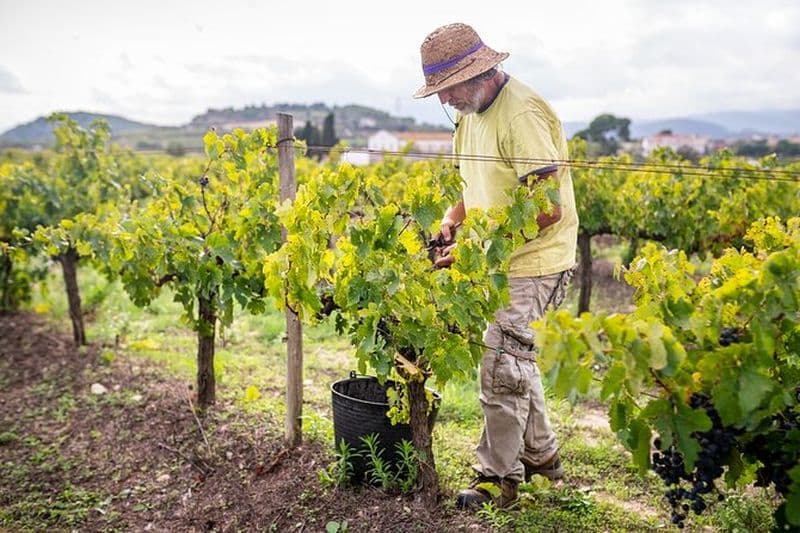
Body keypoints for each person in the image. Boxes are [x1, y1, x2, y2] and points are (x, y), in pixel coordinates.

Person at [413, 22, 579, 509]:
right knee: (514, 358)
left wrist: (481, 250)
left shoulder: (521, 113)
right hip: (500, 259)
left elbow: (546, 209)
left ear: (478, 73)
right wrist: (452, 222)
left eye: (449, 88)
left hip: (536, 261)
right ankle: (542, 457)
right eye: (439, 92)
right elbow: (474, 187)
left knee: (501, 365)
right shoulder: (469, 117)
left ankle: (497, 477)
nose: (445, 100)